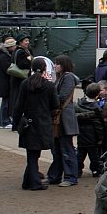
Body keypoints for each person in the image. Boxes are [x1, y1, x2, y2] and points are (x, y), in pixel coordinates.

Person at [13, 57, 58, 191]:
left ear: (32, 68)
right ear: (45, 69)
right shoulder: (49, 86)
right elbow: (55, 105)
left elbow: (19, 106)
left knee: (32, 153)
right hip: (43, 123)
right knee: (34, 154)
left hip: (29, 122)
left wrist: (16, 123)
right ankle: (34, 182)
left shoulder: (25, 84)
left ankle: (29, 180)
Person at [48, 55, 80, 187]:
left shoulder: (68, 78)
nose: (55, 66)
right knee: (58, 148)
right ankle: (55, 176)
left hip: (64, 118)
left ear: (63, 65)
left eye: (57, 64)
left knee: (66, 148)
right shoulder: (63, 78)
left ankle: (70, 177)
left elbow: (62, 97)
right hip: (62, 117)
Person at [76, 83, 107, 178]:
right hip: (92, 136)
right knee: (94, 156)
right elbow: (98, 125)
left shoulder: (79, 104)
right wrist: (101, 137)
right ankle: (95, 170)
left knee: (80, 154)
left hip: (81, 133)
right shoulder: (96, 108)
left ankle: (77, 170)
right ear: (97, 94)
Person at [9, 33, 32, 118]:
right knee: (19, 99)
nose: (27, 42)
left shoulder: (18, 51)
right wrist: (29, 60)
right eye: (25, 41)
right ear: (20, 42)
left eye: (28, 40)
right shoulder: (21, 52)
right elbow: (22, 65)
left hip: (17, 79)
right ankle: (17, 119)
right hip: (20, 79)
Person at [0, 37, 15, 128]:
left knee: (6, 102)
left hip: (3, 82)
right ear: (10, 47)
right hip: (5, 83)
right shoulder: (4, 57)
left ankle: (4, 121)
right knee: (6, 102)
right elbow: (8, 69)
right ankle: (4, 121)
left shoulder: (3, 55)